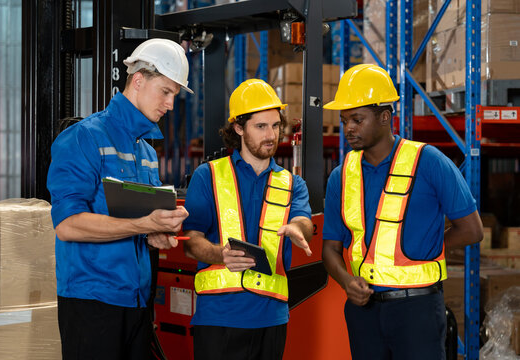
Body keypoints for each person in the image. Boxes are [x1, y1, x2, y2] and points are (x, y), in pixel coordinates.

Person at [321, 64, 484, 360]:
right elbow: (330, 249)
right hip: (363, 310)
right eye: (344, 121)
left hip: (417, 310)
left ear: (385, 117)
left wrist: (425, 249)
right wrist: (347, 282)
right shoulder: (341, 175)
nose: (349, 129)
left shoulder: (429, 161)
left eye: (357, 119)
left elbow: (472, 230)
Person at [47, 38, 193, 359]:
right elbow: (68, 226)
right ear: (138, 80)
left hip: (138, 301)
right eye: (165, 92)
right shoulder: (83, 137)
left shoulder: (145, 151)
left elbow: (138, 222)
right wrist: (143, 223)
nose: (170, 104)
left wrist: (156, 233)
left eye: (174, 95)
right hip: (92, 302)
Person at [182, 78, 314, 360]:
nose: (271, 135)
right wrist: (220, 255)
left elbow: (304, 222)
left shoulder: (293, 184)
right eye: (261, 126)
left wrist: (297, 227)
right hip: (218, 318)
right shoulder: (208, 176)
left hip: (272, 318)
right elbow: (191, 241)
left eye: (276, 125)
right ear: (239, 128)